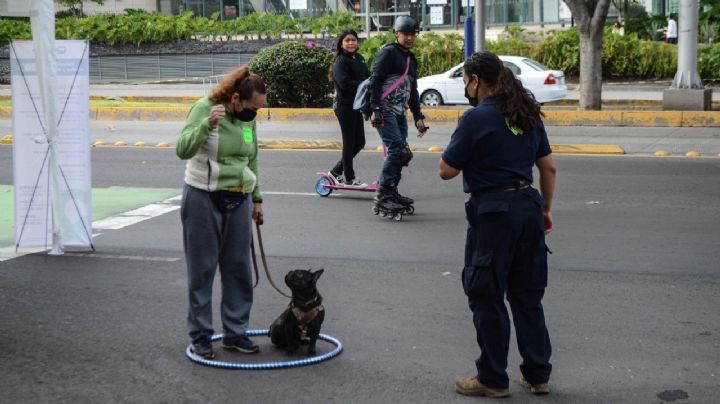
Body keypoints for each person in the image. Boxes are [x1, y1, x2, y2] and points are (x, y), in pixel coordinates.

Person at [438, 51, 557, 398]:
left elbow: (446, 170)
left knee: (486, 294)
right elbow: (548, 168)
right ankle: (538, 375)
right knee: (527, 297)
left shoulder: (475, 119)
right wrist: (546, 209)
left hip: (493, 215)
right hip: (529, 208)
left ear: (476, 81)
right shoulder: (526, 113)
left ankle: (492, 378)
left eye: (465, 82)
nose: (465, 89)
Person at [176, 66, 267, 360]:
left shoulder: (247, 119)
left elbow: (252, 158)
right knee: (202, 270)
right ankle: (201, 337)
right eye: (252, 108)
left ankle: (235, 332)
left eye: (259, 110)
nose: (255, 115)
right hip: (202, 197)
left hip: (239, 198)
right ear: (236, 98)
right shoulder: (204, 109)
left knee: (239, 268)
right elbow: (182, 149)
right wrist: (207, 126)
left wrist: (257, 197)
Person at [368, 15, 429, 213]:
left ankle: (392, 191)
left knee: (404, 154)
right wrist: (375, 109)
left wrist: (418, 116)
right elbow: (375, 81)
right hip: (384, 109)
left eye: (413, 34)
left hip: (399, 111)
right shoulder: (388, 53)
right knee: (397, 150)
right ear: (397, 34)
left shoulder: (411, 59)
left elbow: (413, 89)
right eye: (405, 34)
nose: (409, 38)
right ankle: (383, 194)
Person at [328, 29, 370, 187]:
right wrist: (364, 85)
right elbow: (344, 84)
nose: (351, 43)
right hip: (344, 106)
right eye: (347, 40)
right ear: (341, 43)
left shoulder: (359, 58)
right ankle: (349, 178)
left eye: (353, 40)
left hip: (357, 105)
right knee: (349, 142)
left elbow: (368, 77)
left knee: (360, 142)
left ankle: (335, 172)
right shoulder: (340, 61)